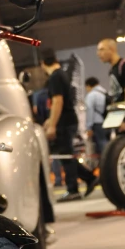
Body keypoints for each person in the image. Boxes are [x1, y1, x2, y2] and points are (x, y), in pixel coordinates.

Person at [40, 48, 97, 202]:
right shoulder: (62, 75)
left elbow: (58, 101)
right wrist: (49, 121)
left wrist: (52, 125)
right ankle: (89, 178)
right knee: (66, 154)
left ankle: (73, 190)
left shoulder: (55, 77)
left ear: (43, 64)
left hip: (64, 122)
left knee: (66, 156)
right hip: (68, 119)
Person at [85, 77, 110, 154]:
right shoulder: (105, 93)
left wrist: (89, 127)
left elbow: (90, 110)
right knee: (107, 143)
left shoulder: (91, 95)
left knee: (100, 144)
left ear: (88, 86)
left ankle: (103, 162)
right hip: (108, 121)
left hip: (97, 123)